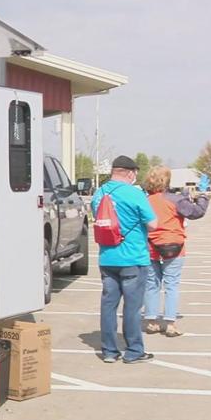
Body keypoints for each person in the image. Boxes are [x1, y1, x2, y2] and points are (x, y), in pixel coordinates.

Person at [90, 155, 158, 364]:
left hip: (107, 258)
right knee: (132, 307)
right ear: (130, 173)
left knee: (108, 305)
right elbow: (153, 224)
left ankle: (109, 351)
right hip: (133, 258)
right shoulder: (134, 194)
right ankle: (134, 351)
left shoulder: (99, 194)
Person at [142, 166, 209, 336]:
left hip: (150, 245)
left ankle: (151, 321)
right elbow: (197, 212)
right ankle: (170, 324)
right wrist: (202, 195)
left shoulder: (144, 200)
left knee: (152, 284)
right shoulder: (175, 200)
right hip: (173, 244)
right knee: (171, 285)